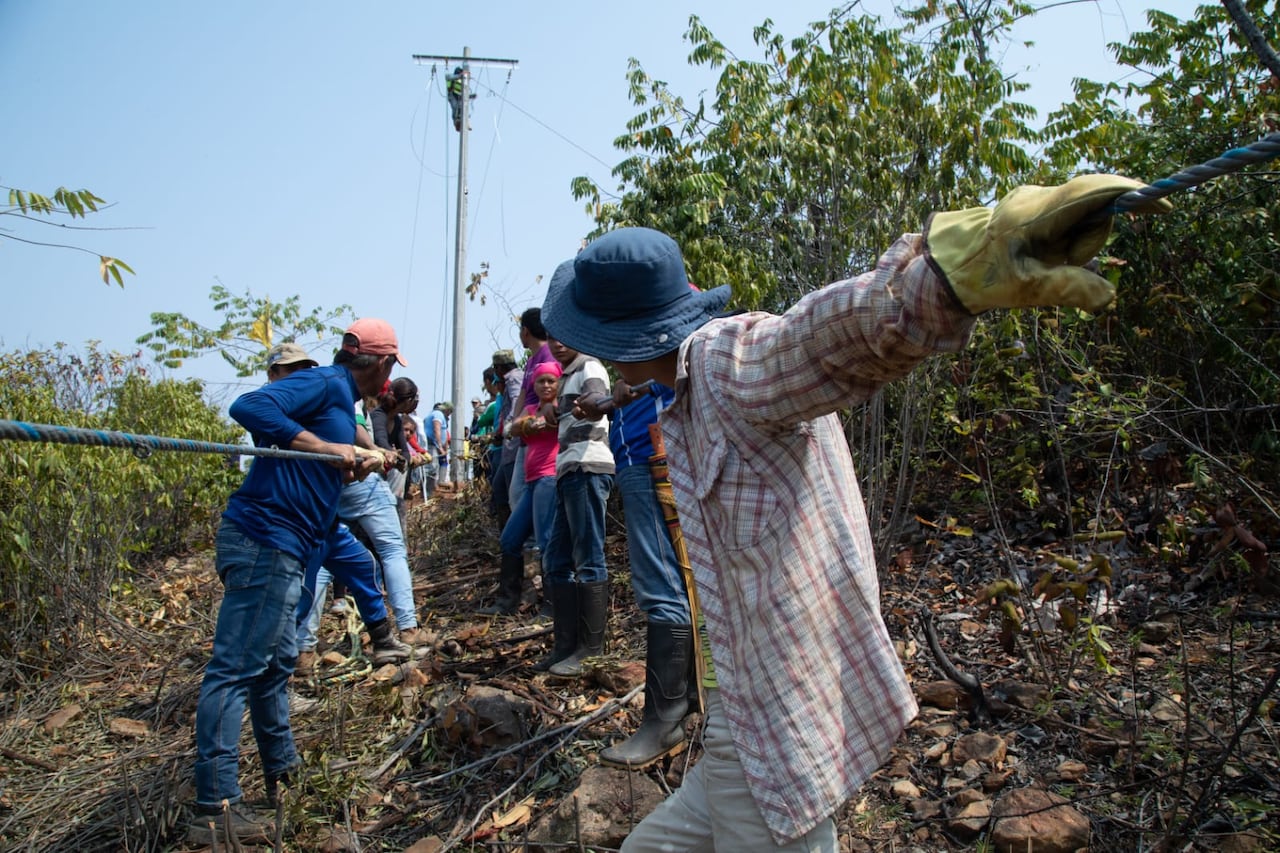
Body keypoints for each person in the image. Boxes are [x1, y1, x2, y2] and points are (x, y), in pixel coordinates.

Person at [540, 176, 1171, 851]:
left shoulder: (726, 362)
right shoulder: (678, 392)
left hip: (777, 729)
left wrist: (952, 271)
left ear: (612, 338)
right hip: (734, 726)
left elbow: (825, 338)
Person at [189, 319, 403, 846]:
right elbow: (249, 407)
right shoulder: (328, 382)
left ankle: (282, 775)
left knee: (276, 664)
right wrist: (324, 449)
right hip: (265, 536)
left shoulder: (342, 404)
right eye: (391, 367)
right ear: (381, 363)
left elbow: (321, 462)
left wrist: (350, 463)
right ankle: (214, 811)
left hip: (292, 543)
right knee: (236, 669)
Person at [261, 343, 411, 678]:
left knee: (361, 565)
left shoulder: (319, 402)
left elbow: (339, 456)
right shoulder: (277, 410)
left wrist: (366, 456)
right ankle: (290, 665)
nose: (300, 377)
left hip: (325, 517)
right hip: (297, 520)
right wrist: (338, 453)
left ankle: (383, 639)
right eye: (291, 370)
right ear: (273, 374)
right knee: (301, 595)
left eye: (305, 370)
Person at [575, 377, 694, 768]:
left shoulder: (662, 343)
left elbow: (675, 376)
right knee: (669, 581)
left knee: (661, 586)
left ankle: (666, 717)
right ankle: (687, 701)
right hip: (637, 458)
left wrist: (636, 389)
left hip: (652, 456)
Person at [535, 328, 616, 675]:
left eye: (564, 335)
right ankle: (565, 646)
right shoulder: (567, 376)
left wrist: (590, 407)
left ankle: (591, 649)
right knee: (556, 559)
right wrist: (555, 410)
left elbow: (598, 402)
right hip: (569, 468)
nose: (558, 343)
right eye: (552, 338)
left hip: (587, 466)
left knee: (588, 556)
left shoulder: (590, 368)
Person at [478, 361, 562, 615]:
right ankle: (507, 601)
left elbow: (534, 425)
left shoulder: (560, 408)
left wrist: (533, 423)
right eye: (541, 381)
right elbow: (512, 428)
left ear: (559, 384)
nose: (546, 385)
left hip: (550, 478)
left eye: (551, 381)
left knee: (547, 541)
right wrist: (529, 424)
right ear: (533, 385)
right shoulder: (530, 408)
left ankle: (553, 607)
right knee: (510, 539)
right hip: (531, 481)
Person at [509, 308, 553, 514]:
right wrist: (515, 423)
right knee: (519, 493)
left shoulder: (549, 354)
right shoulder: (531, 360)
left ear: (525, 331)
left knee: (522, 493)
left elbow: (552, 396)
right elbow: (524, 394)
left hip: (542, 433)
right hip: (526, 432)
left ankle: (533, 542)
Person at [489, 349, 524, 531]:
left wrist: (508, 429)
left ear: (499, 367)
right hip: (508, 446)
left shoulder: (513, 378)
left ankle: (515, 534)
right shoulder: (513, 377)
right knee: (500, 487)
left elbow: (517, 403)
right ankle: (507, 533)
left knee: (511, 492)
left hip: (514, 445)